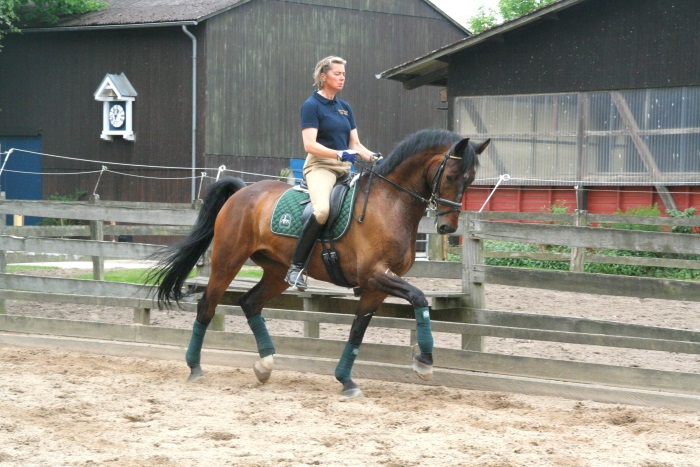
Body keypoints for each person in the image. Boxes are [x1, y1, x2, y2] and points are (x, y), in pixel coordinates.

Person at [285, 56, 379, 290]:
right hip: (321, 167)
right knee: (322, 210)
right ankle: (296, 268)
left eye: (344, 74)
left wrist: (374, 157)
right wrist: (339, 154)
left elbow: (355, 144)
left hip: (345, 169)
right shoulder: (311, 106)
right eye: (337, 73)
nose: (342, 78)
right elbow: (310, 145)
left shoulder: (345, 108)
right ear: (323, 76)